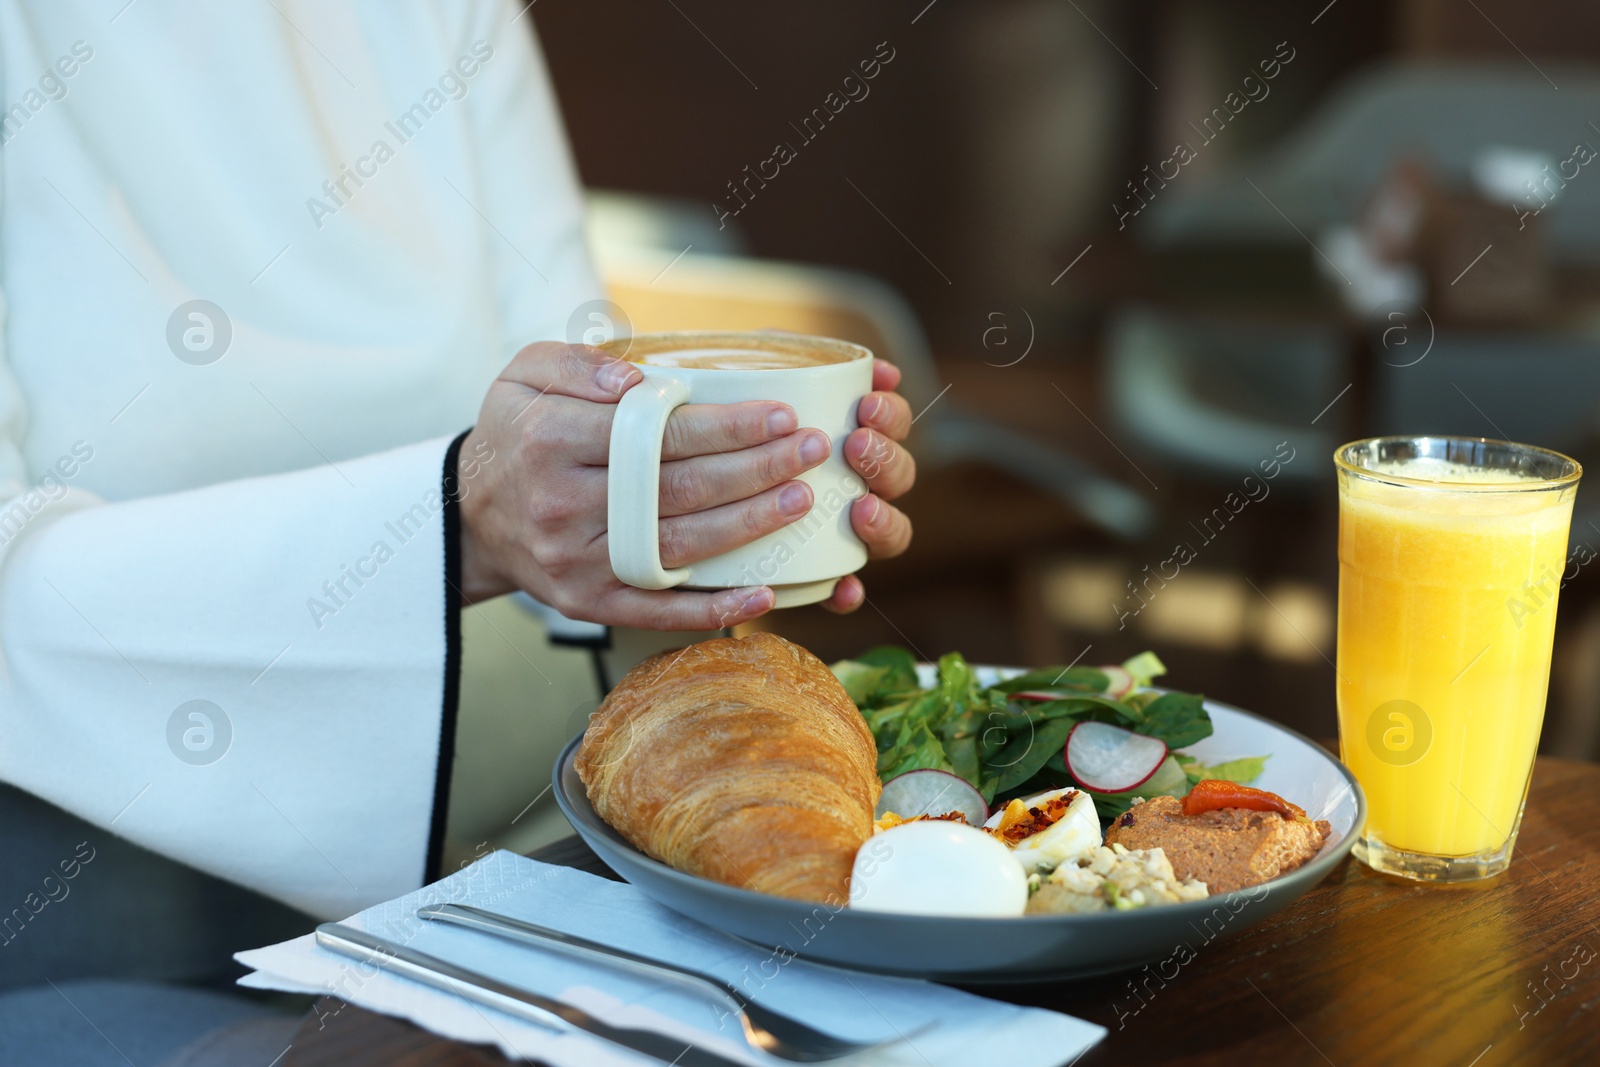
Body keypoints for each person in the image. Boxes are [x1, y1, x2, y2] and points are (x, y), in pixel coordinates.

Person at [0, 2, 916, 1062]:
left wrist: (712, 507)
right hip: (85, 935)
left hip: (495, 888)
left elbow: (582, 380)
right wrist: (456, 520)